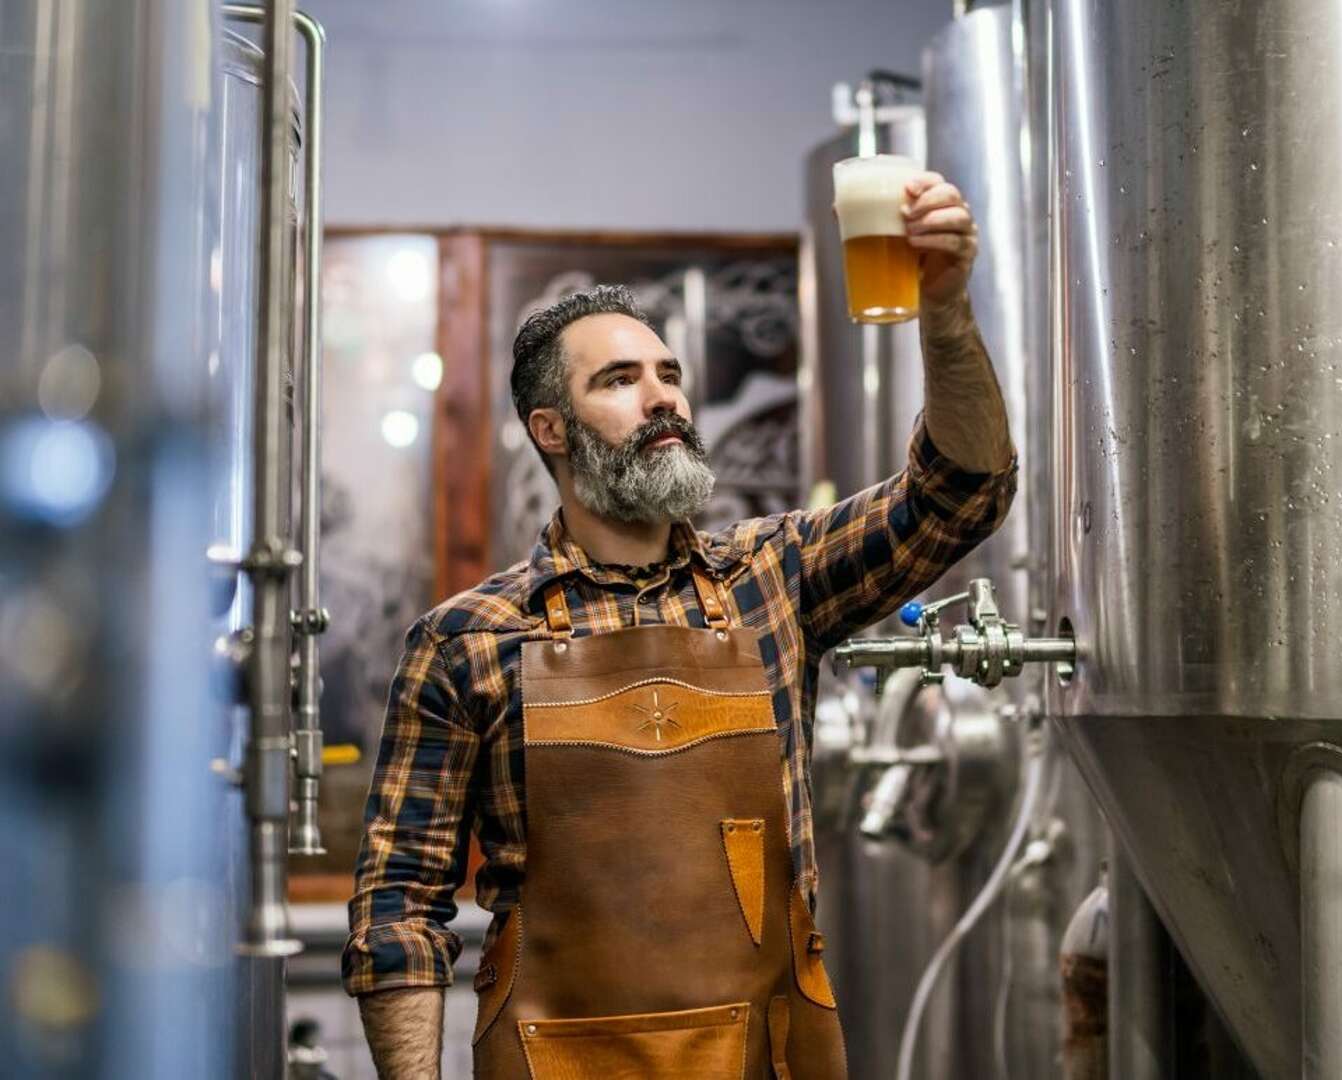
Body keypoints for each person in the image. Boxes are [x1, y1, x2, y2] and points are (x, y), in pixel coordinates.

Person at [343, 171, 1015, 1079]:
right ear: (551, 429)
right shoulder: (467, 641)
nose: (663, 397)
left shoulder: (773, 576)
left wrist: (943, 309)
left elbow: (960, 492)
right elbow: (399, 915)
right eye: (620, 380)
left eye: (670, 375)